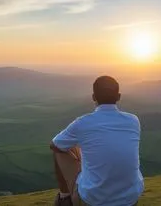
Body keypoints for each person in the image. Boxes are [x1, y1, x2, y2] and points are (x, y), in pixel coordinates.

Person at [50, 76, 144, 206]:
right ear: (119, 97)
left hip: (94, 199)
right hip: (130, 198)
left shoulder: (82, 123)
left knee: (62, 149)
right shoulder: (133, 121)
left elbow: (54, 145)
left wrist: (78, 153)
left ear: (94, 97)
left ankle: (64, 197)